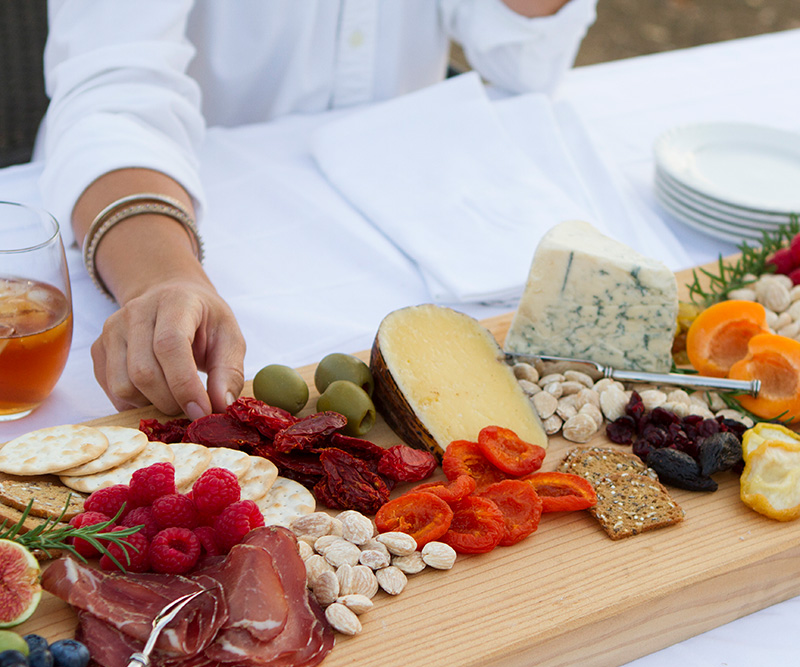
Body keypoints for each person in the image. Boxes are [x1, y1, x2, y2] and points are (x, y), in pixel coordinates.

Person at [38, 0, 597, 420]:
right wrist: (160, 277)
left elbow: (526, 58)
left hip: (421, 214)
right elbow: (112, 98)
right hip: (170, 223)